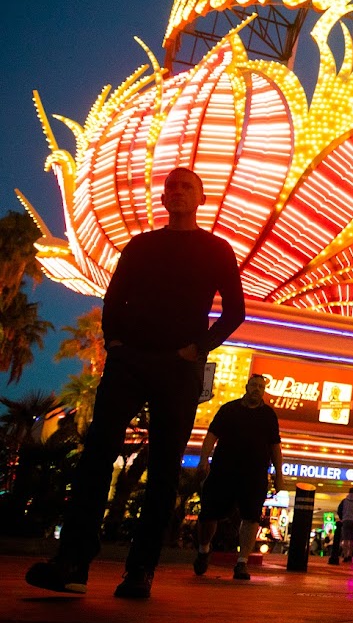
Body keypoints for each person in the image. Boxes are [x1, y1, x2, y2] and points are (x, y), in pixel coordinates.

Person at [26, 167, 245, 600]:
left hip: (179, 367)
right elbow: (116, 296)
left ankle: (141, 570)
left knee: (164, 468)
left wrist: (197, 349)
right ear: (162, 199)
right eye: (171, 187)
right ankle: (72, 562)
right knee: (96, 456)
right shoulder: (141, 245)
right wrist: (116, 343)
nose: (178, 192)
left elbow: (234, 311)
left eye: (187, 187)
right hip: (130, 362)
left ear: (201, 198)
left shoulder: (217, 249)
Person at [192, 373, 283, 581]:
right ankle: (204, 549)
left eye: (261, 386)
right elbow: (211, 436)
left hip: (254, 474)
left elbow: (275, 446)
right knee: (208, 515)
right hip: (223, 470)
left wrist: (279, 474)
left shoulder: (269, 415)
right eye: (254, 385)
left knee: (251, 517)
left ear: (264, 390)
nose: (257, 389)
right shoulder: (229, 410)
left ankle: (242, 562)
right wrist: (203, 459)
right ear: (246, 386)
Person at [337, 487, 353, 562]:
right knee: (352, 540)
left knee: (345, 539)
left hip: (345, 520)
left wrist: (342, 518)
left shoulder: (344, 501)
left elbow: (339, 511)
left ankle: (345, 554)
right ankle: (350, 554)